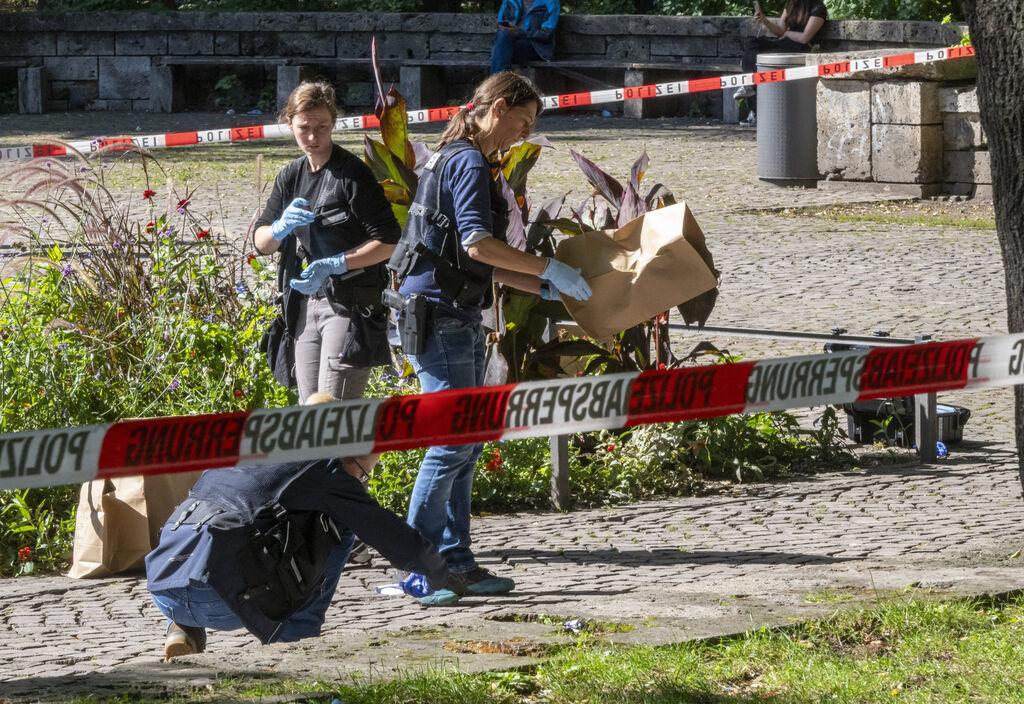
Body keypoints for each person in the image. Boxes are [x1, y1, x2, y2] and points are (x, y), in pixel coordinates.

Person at [386, 71, 592, 597]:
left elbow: (468, 259)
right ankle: (419, 567)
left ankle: (455, 560)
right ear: (497, 108)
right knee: (451, 442)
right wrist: (548, 267)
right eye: (522, 122)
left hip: (448, 311)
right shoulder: (469, 162)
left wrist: (538, 284)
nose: (522, 135)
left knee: (466, 442)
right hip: (442, 318)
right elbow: (479, 244)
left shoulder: (452, 156)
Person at [146, 397, 467, 661]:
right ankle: (300, 642)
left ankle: (182, 627)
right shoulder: (325, 467)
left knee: (216, 538)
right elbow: (392, 537)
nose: (360, 482)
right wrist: (442, 573)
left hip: (164, 583)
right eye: (362, 473)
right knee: (343, 525)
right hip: (225, 603)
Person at [254, 80, 399, 410]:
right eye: (304, 128)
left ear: (334, 123)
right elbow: (261, 242)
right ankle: (317, 465)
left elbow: (389, 241)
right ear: (289, 124)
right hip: (306, 304)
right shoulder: (291, 175)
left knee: (332, 411)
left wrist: (336, 263)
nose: (312, 137)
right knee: (309, 412)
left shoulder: (352, 175)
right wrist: (278, 228)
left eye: (321, 127)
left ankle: (339, 464)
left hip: (348, 304)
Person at [735, 0, 828, 125]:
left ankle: (752, 95)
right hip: (783, 43)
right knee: (754, 44)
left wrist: (787, 33)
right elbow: (779, 31)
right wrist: (764, 20)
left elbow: (805, 38)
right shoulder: (791, 4)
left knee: (761, 59)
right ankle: (750, 86)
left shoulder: (818, 8)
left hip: (798, 48)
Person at [490, 0, 561, 74]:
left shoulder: (551, 2)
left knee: (502, 51)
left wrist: (521, 33)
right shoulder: (509, 1)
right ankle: (500, 81)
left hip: (536, 47)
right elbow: (500, 23)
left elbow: (547, 34)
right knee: (503, 38)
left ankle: (498, 81)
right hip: (509, 43)